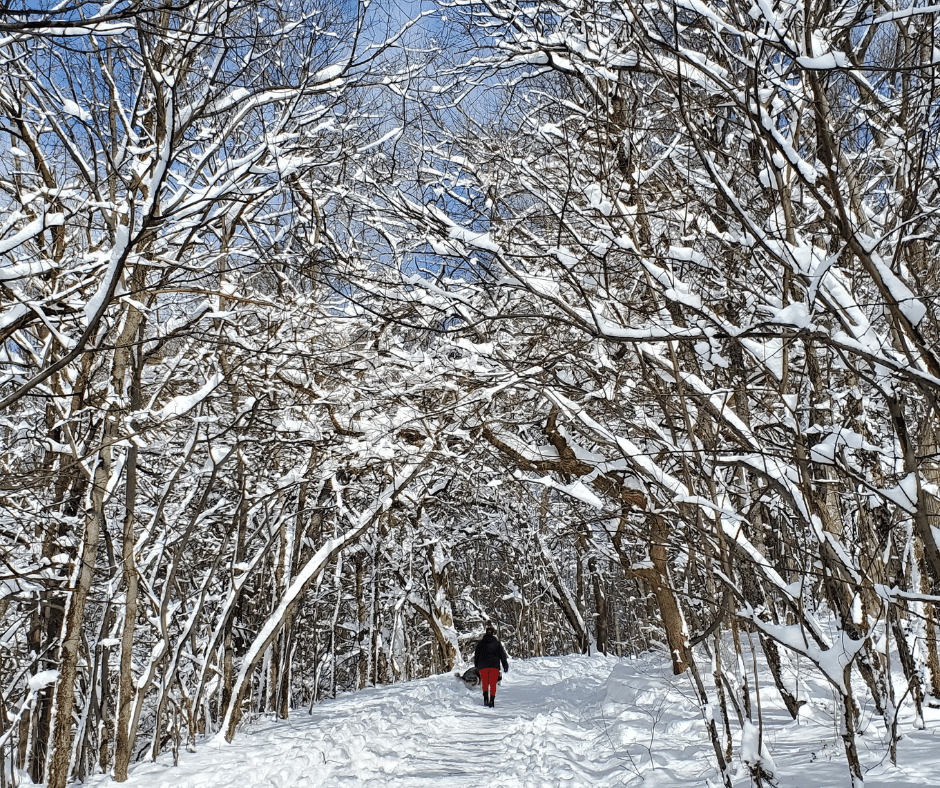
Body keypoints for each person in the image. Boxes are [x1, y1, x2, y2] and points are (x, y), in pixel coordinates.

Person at [473, 625, 509, 708]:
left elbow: (476, 655)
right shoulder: (496, 643)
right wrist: (505, 665)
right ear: (493, 633)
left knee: (485, 682)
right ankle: (492, 700)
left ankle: (486, 698)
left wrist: (476, 666)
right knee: (493, 683)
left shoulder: (480, 643)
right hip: (494, 666)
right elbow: (502, 655)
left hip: (483, 666)